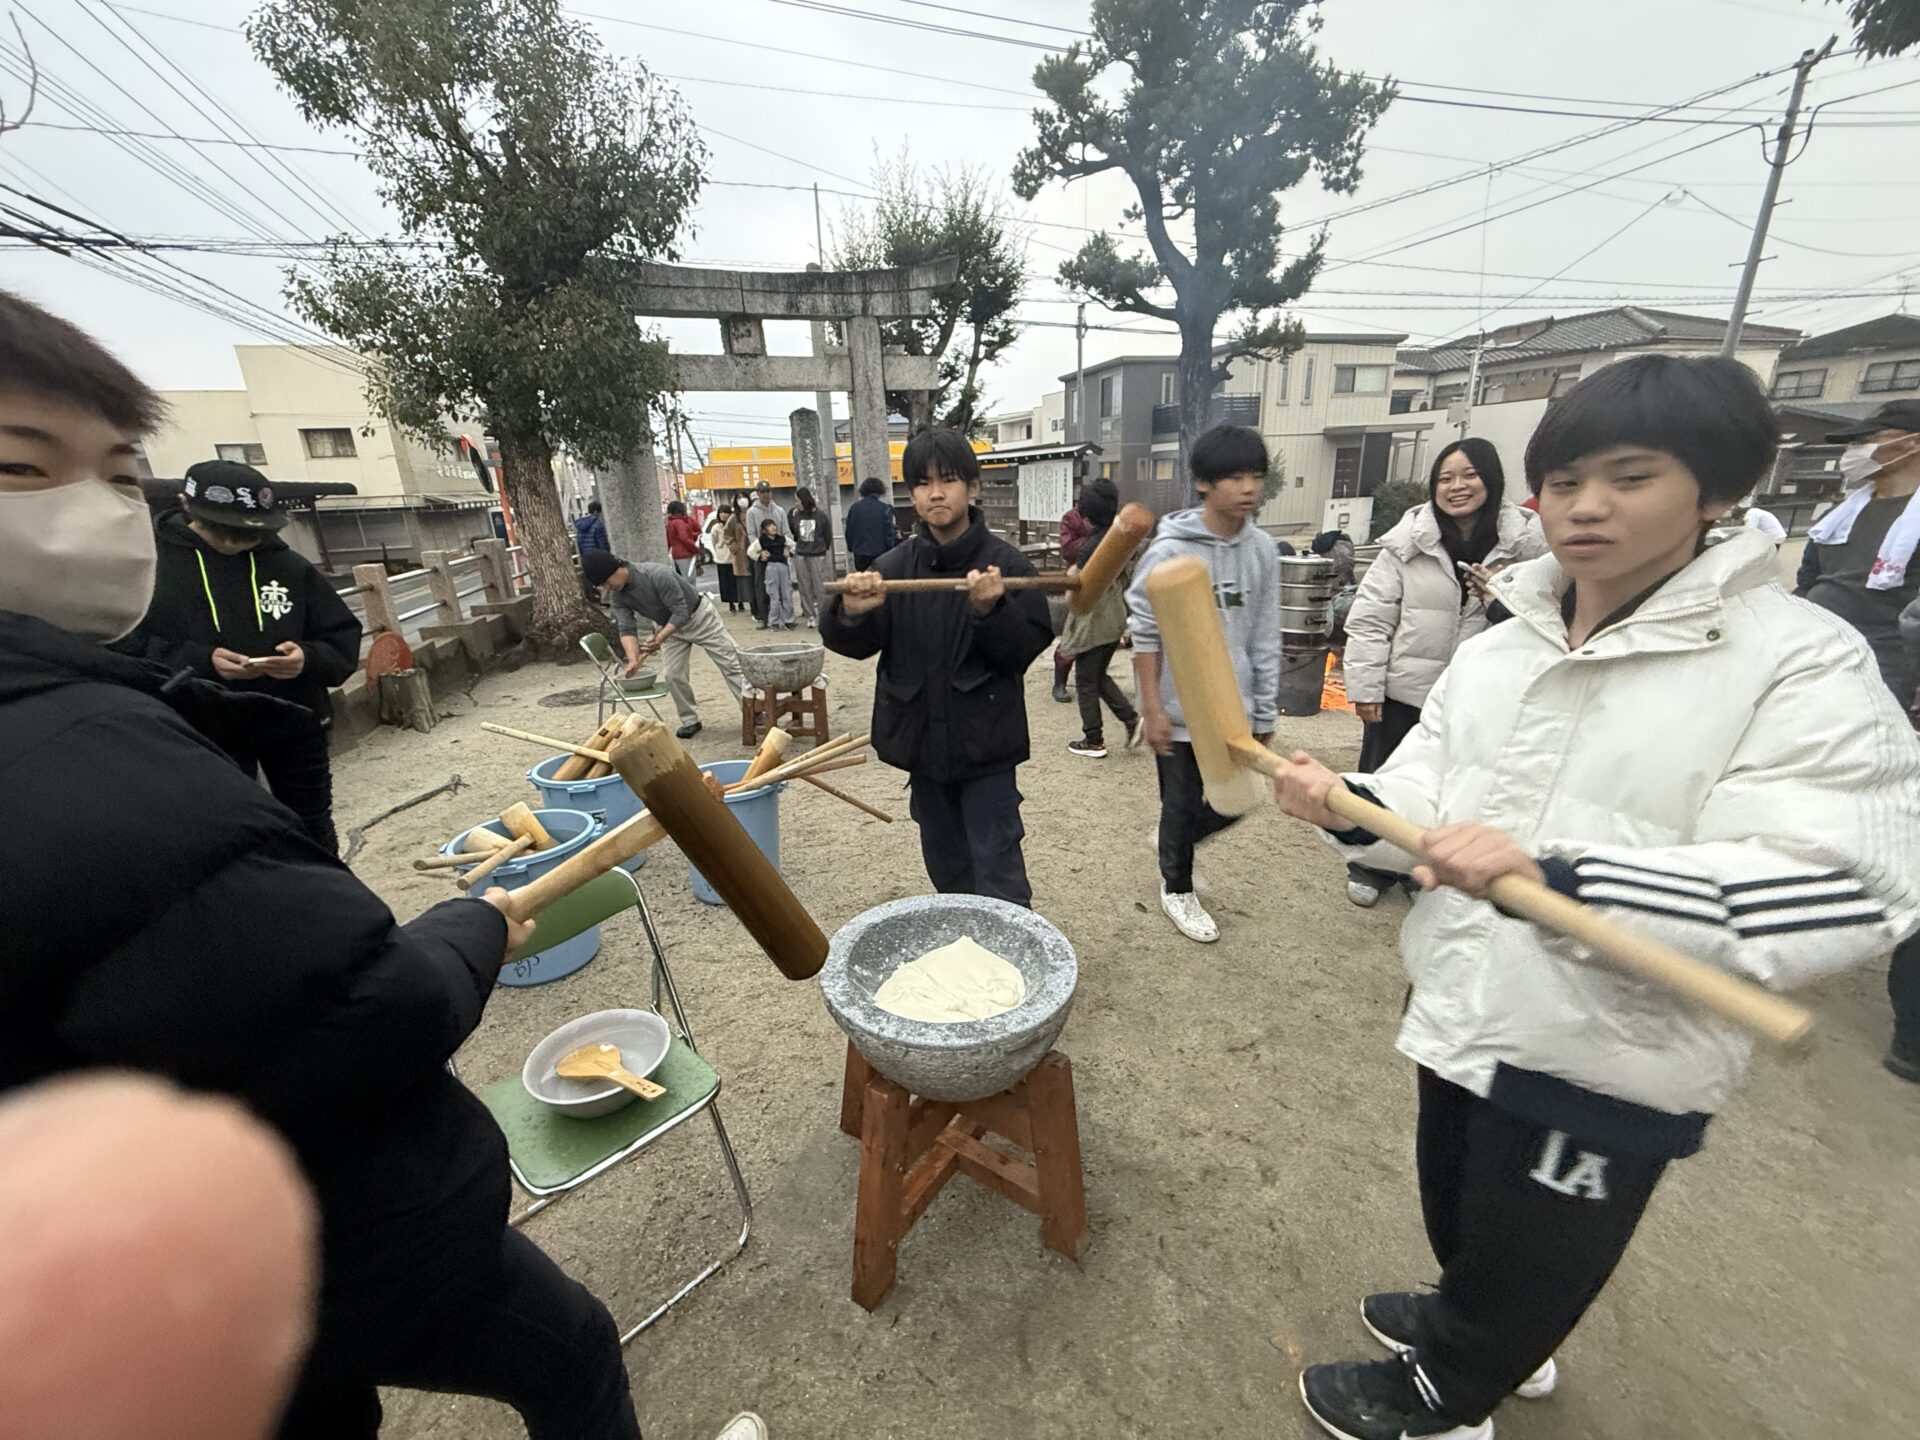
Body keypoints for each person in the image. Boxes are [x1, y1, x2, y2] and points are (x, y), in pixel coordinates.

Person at [0, 287, 648, 1440]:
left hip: (180, 1233)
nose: (86, 512)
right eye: (20, 467)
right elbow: (364, 1005)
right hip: (288, 1231)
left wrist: (293, 675)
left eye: (112, 469)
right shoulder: (84, 746)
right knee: (567, 1352)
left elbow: (340, 648)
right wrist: (475, 924)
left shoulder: (263, 577)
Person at [1271, 354, 1919, 1440]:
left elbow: (1845, 882)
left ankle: (1450, 1397)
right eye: (1565, 482)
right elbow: (1435, 782)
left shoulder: (1799, 662)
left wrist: (1565, 879)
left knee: (1541, 1241)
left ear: (1714, 491)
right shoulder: (1508, 644)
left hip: (1610, 1040)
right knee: (1465, 1204)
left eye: (1630, 477)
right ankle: (1474, 1322)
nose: (1587, 507)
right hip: (1470, 992)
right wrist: (1354, 803)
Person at [821, 428, 1053, 906]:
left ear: (973, 486)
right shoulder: (891, 566)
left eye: (948, 479)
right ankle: (965, 956)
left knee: (998, 866)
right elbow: (854, 645)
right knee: (945, 863)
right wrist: (852, 612)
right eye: (922, 483)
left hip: (985, 744)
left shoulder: (1005, 566)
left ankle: (1012, 966)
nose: (936, 493)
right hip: (921, 743)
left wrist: (991, 611)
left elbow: (1021, 651)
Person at [1339, 438, 1546, 909]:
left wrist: (1502, 598)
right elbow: (1372, 618)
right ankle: (1370, 864)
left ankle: (1425, 867)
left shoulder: (1531, 546)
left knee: (1459, 785)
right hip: (1405, 689)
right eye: (1445, 478)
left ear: (1491, 479)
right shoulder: (1406, 544)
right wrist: (1366, 686)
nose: (1457, 487)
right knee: (1384, 773)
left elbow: (1548, 619)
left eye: (1469, 475)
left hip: (1479, 696)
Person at [117, 458, 363, 853]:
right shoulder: (149, 567)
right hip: (200, 722)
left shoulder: (290, 567)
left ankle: (330, 903)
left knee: (311, 822)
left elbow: (341, 637)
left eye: (248, 534)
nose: (234, 543)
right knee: (228, 827)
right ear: (186, 506)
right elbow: (124, 644)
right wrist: (200, 660)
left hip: (293, 717)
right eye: (224, 530)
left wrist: (308, 658)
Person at [1792, 397, 1920, 1081]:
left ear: (1908, 444)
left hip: (1895, 675)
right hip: (1816, 663)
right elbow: (1810, 583)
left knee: (1873, 806)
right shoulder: (1839, 515)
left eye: (1872, 440)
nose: (1858, 452)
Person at [1127, 424, 1281, 944]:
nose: (1248, 488)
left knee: (1241, 799)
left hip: (1232, 707)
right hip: (1178, 705)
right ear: (1202, 484)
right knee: (1182, 801)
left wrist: (1265, 713)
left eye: (1256, 476)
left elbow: (1264, 632)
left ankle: (1173, 844)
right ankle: (1177, 886)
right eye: (1234, 477)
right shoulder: (1169, 552)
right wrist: (1152, 708)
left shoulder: (1262, 549)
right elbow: (1146, 636)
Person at [581, 550, 746, 741]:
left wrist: (659, 638)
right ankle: (690, 720)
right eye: (601, 585)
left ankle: (753, 711)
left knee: (732, 664)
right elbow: (626, 628)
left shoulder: (657, 574)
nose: (607, 587)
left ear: (617, 568)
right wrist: (633, 659)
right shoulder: (618, 596)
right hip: (667, 627)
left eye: (606, 581)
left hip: (699, 617)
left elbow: (681, 611)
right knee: (672, 674)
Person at [1059, 477, 1142, 758]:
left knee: (1085, 680)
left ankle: (1093, 739)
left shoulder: (1089, 548)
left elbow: (1078, 587)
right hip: (1115, 617)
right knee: (1097, 676)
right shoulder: (1120, 538)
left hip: (1094, 622)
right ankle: (1131, 720)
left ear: (1085, 514)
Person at [1052, 496, 1093, 703]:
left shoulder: (1108, 517)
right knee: (1072, 631)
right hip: (1076, 574)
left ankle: (1093, 681)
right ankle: (1059, 681)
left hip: (1102, 575)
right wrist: (1096, 540)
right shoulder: (1071, 517)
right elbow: (1067, 549)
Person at [744, 481, 788, 629]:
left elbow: (786, 531)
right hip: (762, 555)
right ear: (758, 493)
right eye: (762, 491)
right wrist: (759, 550)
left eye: (768, 491)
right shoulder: (752, 512)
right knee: (761, 587)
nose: (765, 494)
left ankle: (783, 618)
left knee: (782, 588)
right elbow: (751, 533)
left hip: (779, 554)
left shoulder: (779, 510)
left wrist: (788, 547)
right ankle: (764, 618)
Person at [788, 485, 833, 626]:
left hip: (817, 554)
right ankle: (810, 615)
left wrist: (822, 548)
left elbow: (827, 535)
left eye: (797, 500)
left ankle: (823, 613)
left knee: (820, 586)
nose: (796, 503)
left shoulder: (820, 515)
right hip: (801, 554)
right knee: (804, 586)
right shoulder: (795, 515)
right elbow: (795, 532)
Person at [845, 474, 897, 572]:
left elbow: (849, 531)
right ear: (880, 491)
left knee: (862, 582)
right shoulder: (885, 508)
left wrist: (851, 547)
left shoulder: (854, 508)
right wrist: (890, 549)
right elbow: (888, 533)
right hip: (880, 553)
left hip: (860, 553)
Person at [759, 518, 795, 629]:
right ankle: (774, 621)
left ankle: (789, 620)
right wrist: (761, 553)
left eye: (774, 525)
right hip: (771, 567)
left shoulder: (782, 539)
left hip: (783, 566)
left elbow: (794, 546)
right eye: (769, 526)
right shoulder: (761, 540)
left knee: (787, 594)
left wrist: (788, 552)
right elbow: (751, 551)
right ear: (764, 530)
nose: (773, 528)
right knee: (774, 595)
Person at [705, 502, 739, 611]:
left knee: (737, 582)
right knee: (726, 584)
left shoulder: (735, 525)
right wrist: (718, 552)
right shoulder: (716, 528)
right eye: (721, 512)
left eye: (726, 512)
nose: (724, 515)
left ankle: (740, 602)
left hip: (734, 558)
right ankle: (731, 604)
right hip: (722, 559)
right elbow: (714, 542)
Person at [725, 496, 753, 613]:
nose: (743, 501)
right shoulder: (733, 518)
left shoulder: (753, 513)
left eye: (744, 497)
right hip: (742, 554)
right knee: (746, 580)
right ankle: (752, 606)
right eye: (740, 498)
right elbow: (727, 535)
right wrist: (735, 547)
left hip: (755, 550)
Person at [665, 500, 701, 577]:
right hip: (685, 554)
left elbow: (669, 540)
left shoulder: (670, 523)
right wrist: (696, 549)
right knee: (689, 579)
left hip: (676, 554)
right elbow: (685, 538)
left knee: (682, 578)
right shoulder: (679, 523)